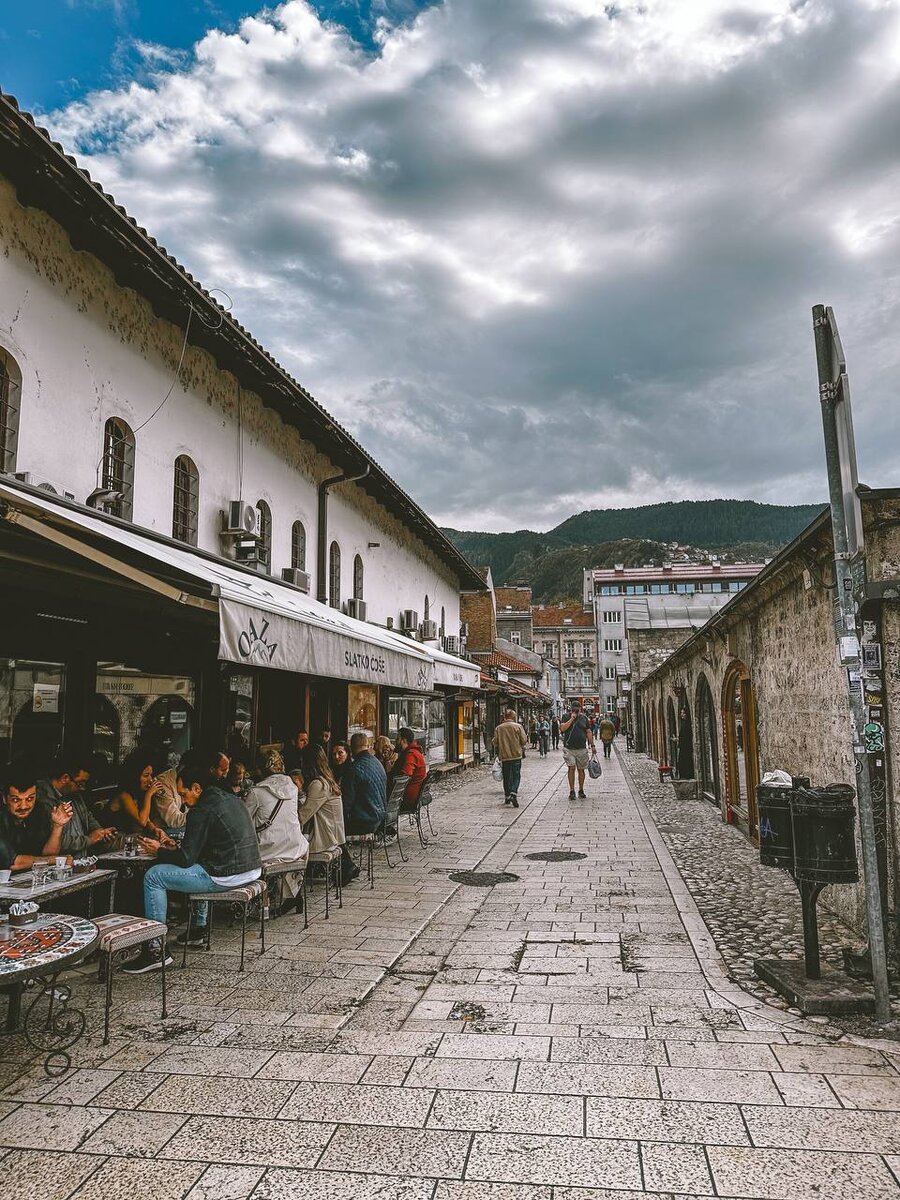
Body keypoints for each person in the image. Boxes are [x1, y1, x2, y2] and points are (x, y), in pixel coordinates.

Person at [124, 751, 262, 974]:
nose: (183, 801)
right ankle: (197, 928)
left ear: (197, 788)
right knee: (190, 868)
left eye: (183, 794)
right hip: (251, 868)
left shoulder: (201, 810)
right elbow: (196, 851)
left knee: (154, 876)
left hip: (227, 873)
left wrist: (159, 850)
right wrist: (173, 848)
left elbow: (186, 859)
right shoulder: (226, 797)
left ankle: (155, 950)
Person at [244, 748, 308, 915]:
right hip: (295, 845)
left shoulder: (256, 792)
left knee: (246, 852)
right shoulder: (292, 787)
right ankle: (294, 894)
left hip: (268, 849)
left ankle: (260, 904)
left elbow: (243, 820)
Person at [36, 758, 116, 854]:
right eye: (80, 783)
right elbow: (58, 842)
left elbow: (88, 817)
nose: (83, 788)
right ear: (65, 778)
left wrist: (100, 832)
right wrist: (89, 840)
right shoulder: (44, 800)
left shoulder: (75, 795)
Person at [0, 765, 74, 869]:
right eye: (16, 800)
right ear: (4, 798)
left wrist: (57, 826)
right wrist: (55, 860)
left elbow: (47, 855)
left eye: (30, 799)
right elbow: (13, 863)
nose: (24, 806)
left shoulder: (39, 811)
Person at [339, 732, 387, 884]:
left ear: (352, 748)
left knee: (331, 830)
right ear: (367, 745)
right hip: (380, 816)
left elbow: (346, 804)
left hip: (365, 820)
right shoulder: (377, 763)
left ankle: (347, 865)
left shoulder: (354, 769)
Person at [99, 750, 169, 840]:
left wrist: (155, 829)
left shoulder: (137, 794)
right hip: (113, 838)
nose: (150, 780)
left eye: (151, 775)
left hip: (127, 837)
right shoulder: (124, 796)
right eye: (146, 775)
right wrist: (149, 794)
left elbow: (147, 821)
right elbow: (142, 821)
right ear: (135, 776)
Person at [299, 744, 345, 854]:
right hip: (332, 835)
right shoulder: (326, 780)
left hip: (326, 839)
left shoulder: (319, 784)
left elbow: (302, 816)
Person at [491, 709, 527, 808]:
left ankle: (507, 796)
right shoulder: (518, 727)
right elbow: (524, 741)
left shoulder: (499, 728)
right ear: (512, 716)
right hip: (516, 755)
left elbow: (495, 742)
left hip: (505, 755)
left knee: (506, 776)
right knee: (516, 775)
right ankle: (513, 793)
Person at [560, 702, 594, 801]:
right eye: (574, 710)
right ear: (571, 709)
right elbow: (562, 728)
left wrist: (592, 745)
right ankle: (571, 790)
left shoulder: (584, 718)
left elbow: (588, 731)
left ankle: (581, 789)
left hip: (582, 748)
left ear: (580, 709)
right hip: (569, 748)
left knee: (581, 769)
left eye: (577, 710)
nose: (575, 712)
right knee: (571, 768)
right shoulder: (566, 716)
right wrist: (571, 719)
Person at [391, 727, 427, 812]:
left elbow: (404, 777)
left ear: (403, 740)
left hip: (407, 799)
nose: (395, 742)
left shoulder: (411, 754)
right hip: (412, 796)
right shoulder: (413, 752)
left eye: (397, 739)